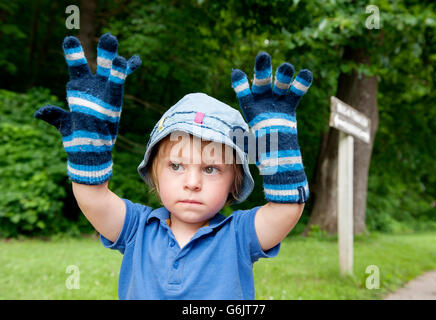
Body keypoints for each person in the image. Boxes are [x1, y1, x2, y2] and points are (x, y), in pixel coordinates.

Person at [34, 33, 313, 300]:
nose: (192, 182)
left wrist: (277, 142)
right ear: (154, 172)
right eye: (176, 166)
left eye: (210, 169)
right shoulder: (136, 227)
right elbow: (94, 199)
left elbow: (285, 209)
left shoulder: (239, 235)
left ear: (235, 182)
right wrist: (89, 153)